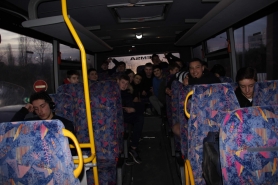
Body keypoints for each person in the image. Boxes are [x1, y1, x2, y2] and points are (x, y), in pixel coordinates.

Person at [118, 75, 144, 165]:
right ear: (118, 81)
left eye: (126, 83)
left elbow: (131, 106)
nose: (124, 85)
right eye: (122, 82)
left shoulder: (127, 93)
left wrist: (131, 109)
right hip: (114, 115)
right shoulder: (112, 93)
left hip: (124, 114)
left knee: (139, 117)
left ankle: (133, 147)